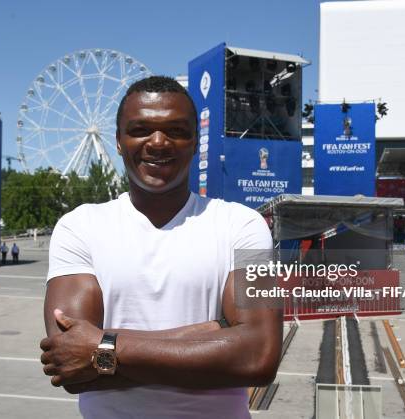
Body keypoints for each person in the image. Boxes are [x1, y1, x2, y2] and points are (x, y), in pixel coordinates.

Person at [40, 76, 282, 419]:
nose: (158, 142)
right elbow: (73, 368)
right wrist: (212, 333)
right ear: (119, 142)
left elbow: (259, 356)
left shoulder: (244, 226)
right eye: (140, 129)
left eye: (177, 130)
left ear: (196, 142)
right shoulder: (78, 228)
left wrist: (103, 348)